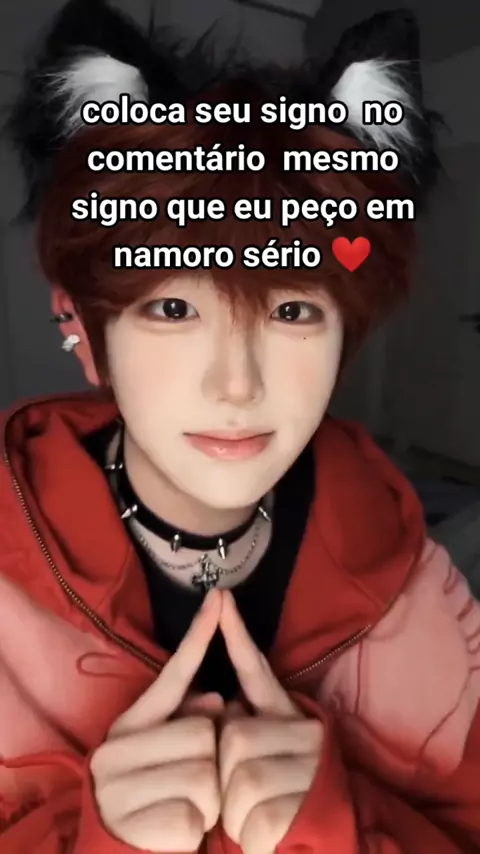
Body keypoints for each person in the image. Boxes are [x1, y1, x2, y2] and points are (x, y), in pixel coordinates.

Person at [1, 1, 479, 852]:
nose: (237, 385)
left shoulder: (422, 589)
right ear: (85, 331)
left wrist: (338, 829)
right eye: (173, 307)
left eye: (292, 310)